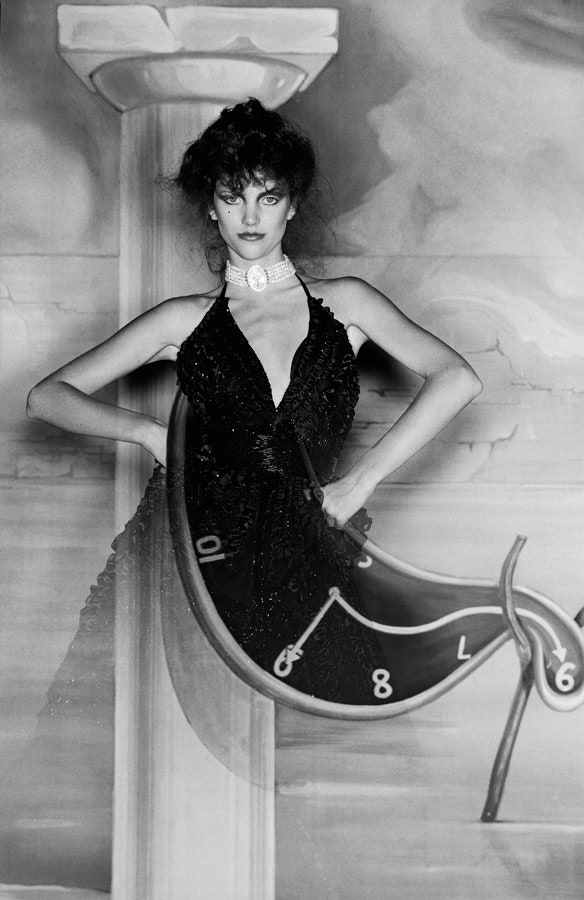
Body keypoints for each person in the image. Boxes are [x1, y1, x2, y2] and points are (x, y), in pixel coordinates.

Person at [27, 98, 482, 705]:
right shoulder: (183, 319)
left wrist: (362, 480)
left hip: (305, 548)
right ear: (210, 207)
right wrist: (146, 431)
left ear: (291, 206)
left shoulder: (347, 303)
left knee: (313, 720)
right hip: (184, 548)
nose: (249, 216)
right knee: (114, 708)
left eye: (267, 197)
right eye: (231, 196)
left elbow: (457, 378)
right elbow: (47, 397)